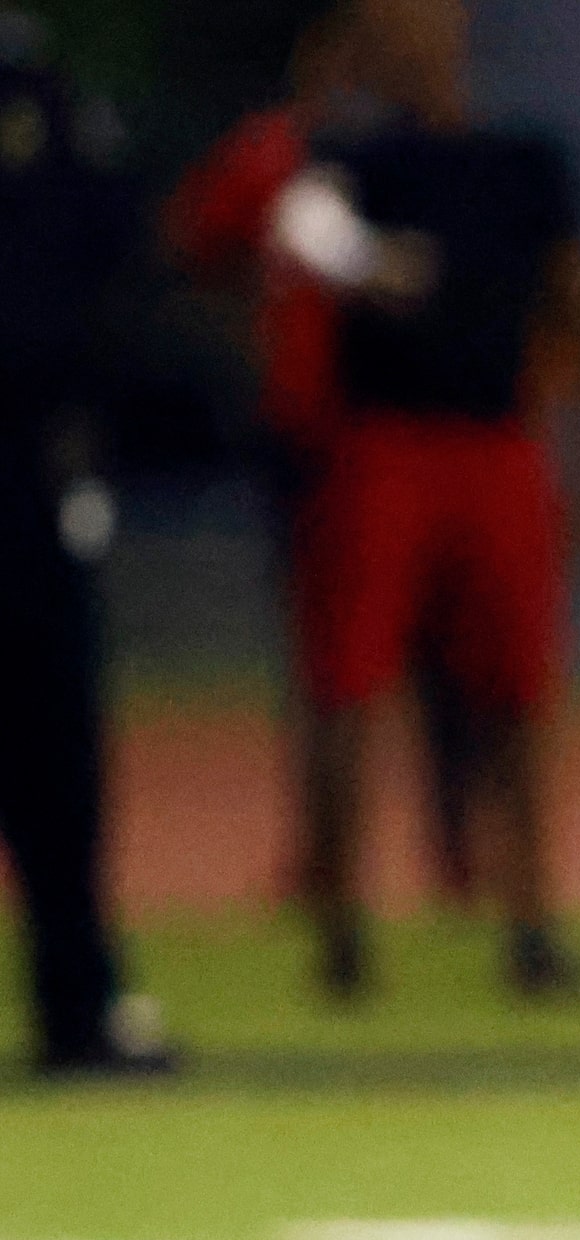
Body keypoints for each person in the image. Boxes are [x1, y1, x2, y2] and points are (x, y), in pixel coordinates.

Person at [271, 0, 580, 996]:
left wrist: (571, 408)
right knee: (351, 686)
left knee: (518, 690)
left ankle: (531, 920)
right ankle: (341, 923)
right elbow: (299, 229)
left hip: (495, 440)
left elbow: (571, 290)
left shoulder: (523, 159)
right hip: (384, 442)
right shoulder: (347, 156)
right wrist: (367, 267)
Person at [164, 5, 486, 915]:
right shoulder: (281, 152)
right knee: (335, 664)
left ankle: (461, 861)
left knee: (448, 666)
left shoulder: (422, 155)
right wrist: (252, 334)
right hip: (315, 435)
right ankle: (326, 872)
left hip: (416, 430)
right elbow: (196, 247)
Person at [0, 11, 173, 1076]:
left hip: (23, 466)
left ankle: (81, 1003)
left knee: (53, 749)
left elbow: (112, 264)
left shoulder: (45, 100)